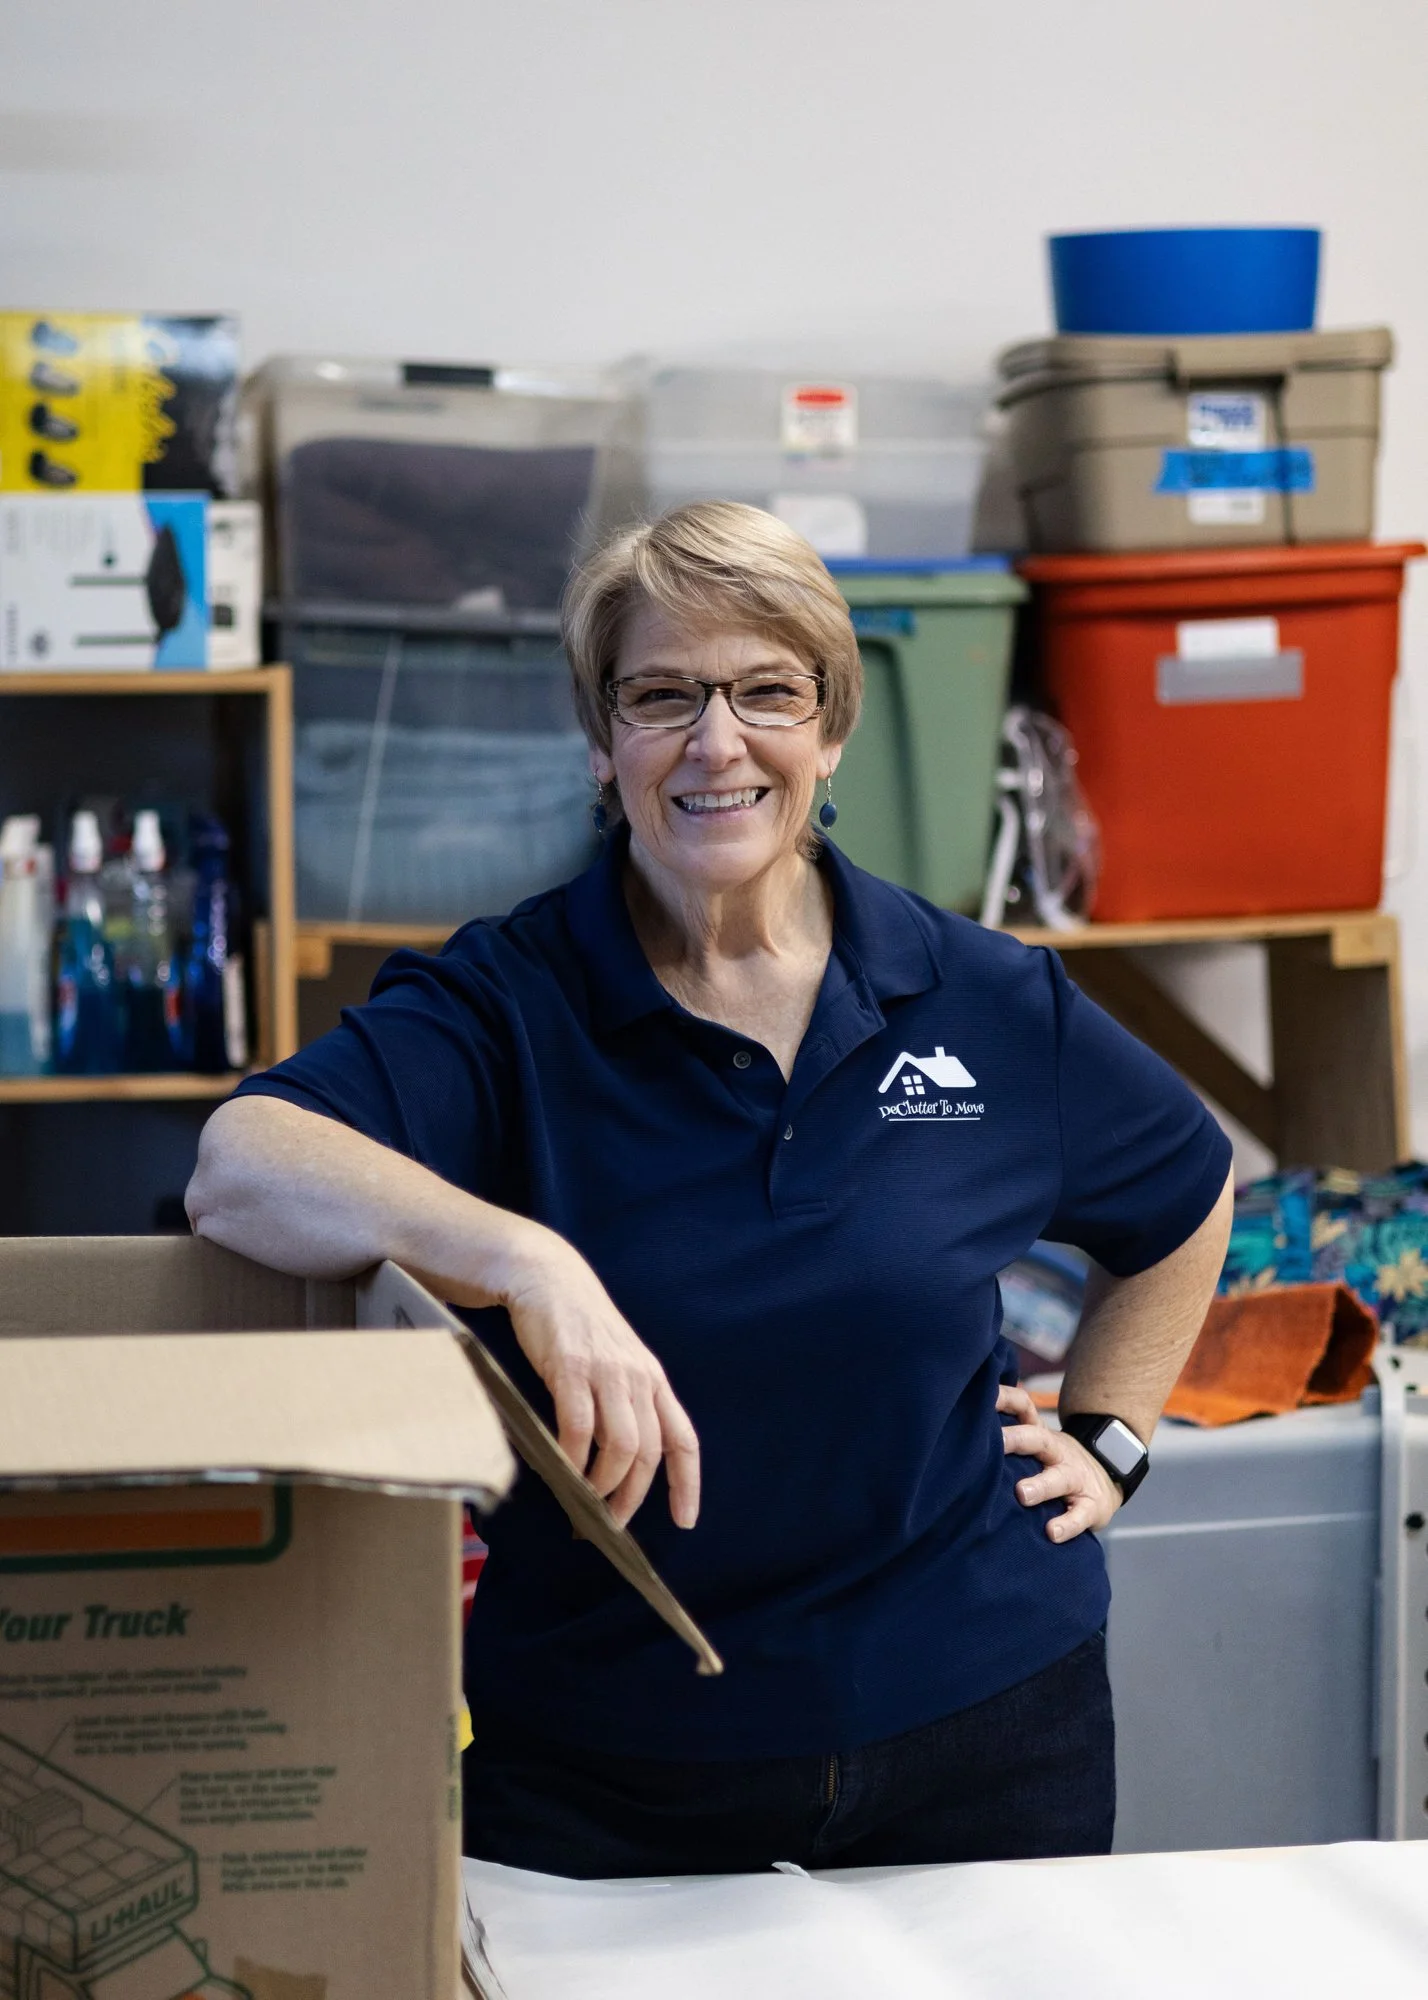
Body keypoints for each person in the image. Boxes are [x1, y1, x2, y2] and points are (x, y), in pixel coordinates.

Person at [187, 501, 1233, 1879]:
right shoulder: (509, 1000)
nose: (716, 743)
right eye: (662, 696)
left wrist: (1110, 1441)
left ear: (833, 729)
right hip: (610, 1770)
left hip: (988, 1729)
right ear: (603, 740)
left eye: (767, 693)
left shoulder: (984, 997)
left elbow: (1184, 1195)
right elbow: (241, 1165)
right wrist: (526, 1260)